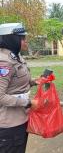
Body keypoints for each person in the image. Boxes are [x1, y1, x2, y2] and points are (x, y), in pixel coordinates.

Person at [0, 23, 39, 153]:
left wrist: (33, 82)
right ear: (12, 39)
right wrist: (28, 102)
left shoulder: (16, 57)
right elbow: (1, 96)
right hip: (9, 124)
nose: (25, 42)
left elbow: (15, 84)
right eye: (22, 38)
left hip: (21, 118)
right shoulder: (4, 62)